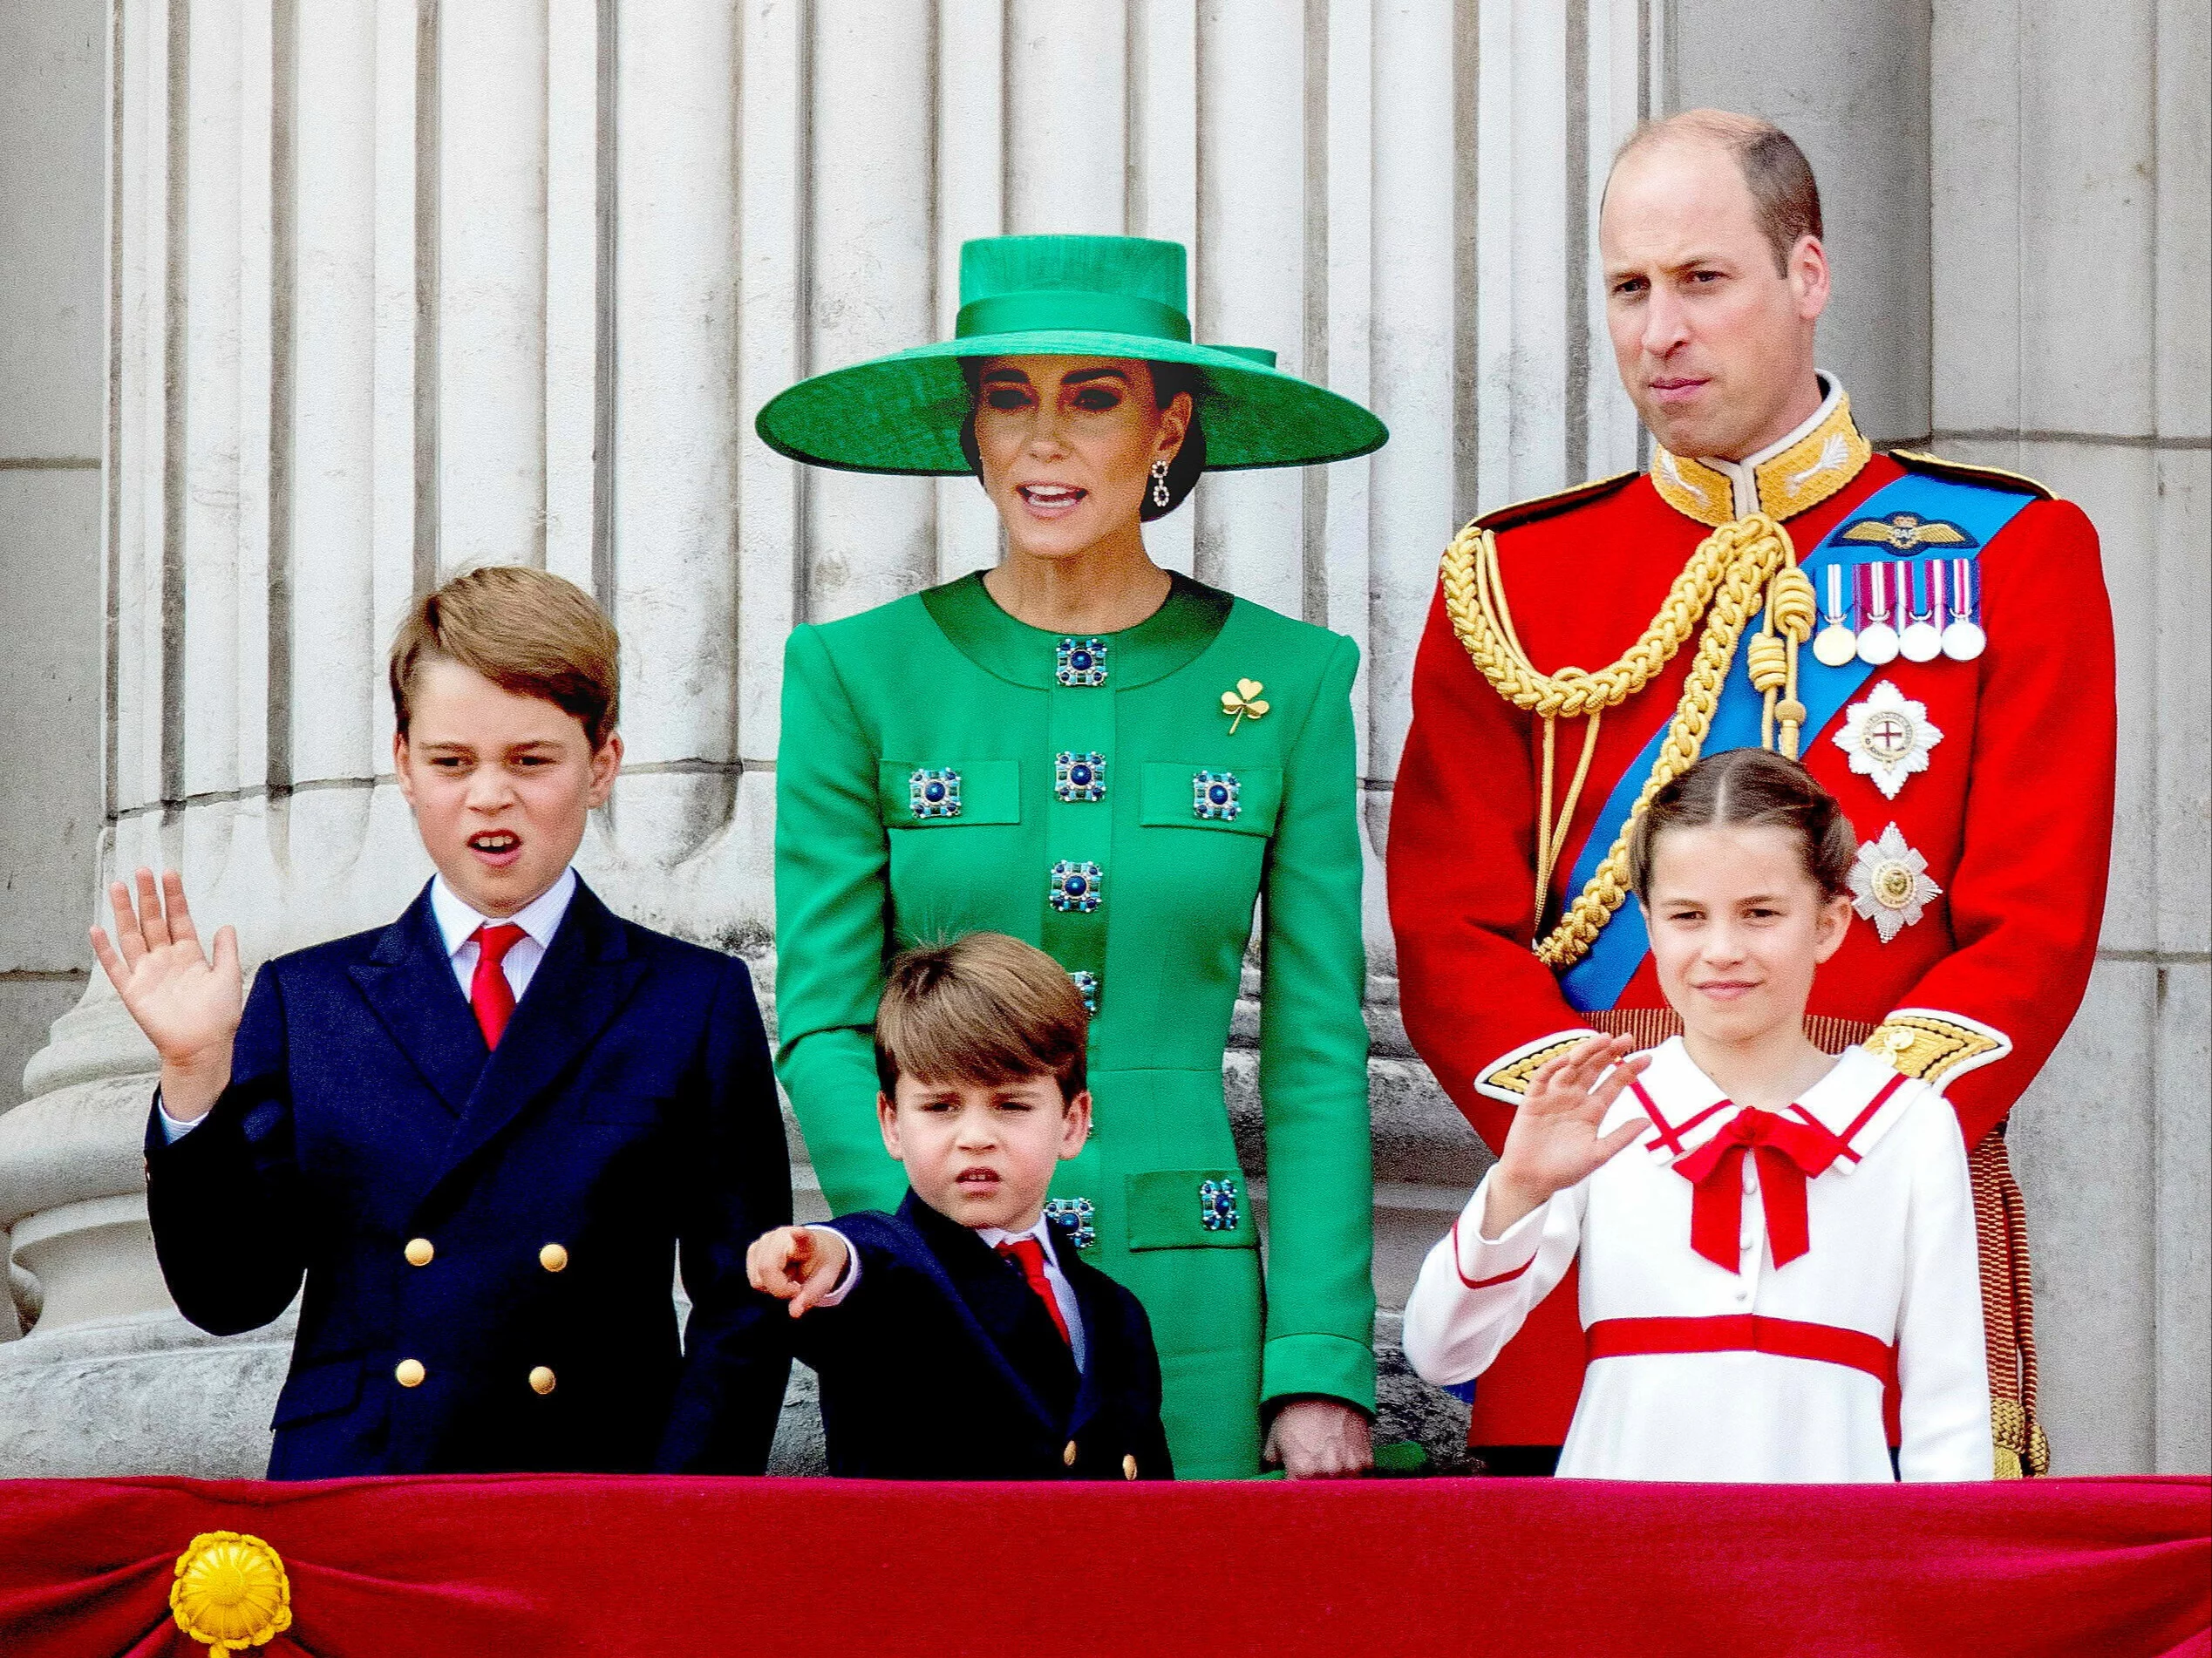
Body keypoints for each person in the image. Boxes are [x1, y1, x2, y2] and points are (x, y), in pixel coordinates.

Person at [1389, 110, 2112, 1476]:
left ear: (1809, 275)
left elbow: (2037, 922)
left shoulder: (2014, 551)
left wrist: (1851, 1130)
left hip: (1892, 1230)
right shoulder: (1513, 577)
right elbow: (1447, 931)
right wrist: (1623, 1128)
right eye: (1628, 287)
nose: (1659, 330)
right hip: (1607, 1228)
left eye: (1703, 279)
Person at [760, 234, 1387, 1478]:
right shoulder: (852, 674)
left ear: (1168, 427)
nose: (1044, 441)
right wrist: (918, 1244)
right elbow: (825, 1024)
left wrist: (1318, 1357)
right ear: (972, 431)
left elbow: (1318, 1047)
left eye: (1092, 397)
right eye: (1010, 397)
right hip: (935, 1308)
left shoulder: (1296, 681)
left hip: (1194, 1311)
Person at [92, 566, 793, 1478]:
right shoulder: (309, 1001)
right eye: (451, 761)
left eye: (531, 760)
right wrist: (193, 1077)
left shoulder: (689, 1000)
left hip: (594, 1489)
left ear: (602, 767)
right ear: (404, 767)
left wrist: (679, 1514)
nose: (489, 796)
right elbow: (229, 1296)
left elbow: (744, 1301)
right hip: (362, 1492)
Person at [1403, 749, 1992, 1482]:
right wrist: (1516, 1189)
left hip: (1832, 1555)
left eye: (1760, 914)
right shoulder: (1604, 1109)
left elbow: (1951, 1403)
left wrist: (1933, 1582)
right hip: (1621, 1548)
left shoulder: (1908, 1123)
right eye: (1688, 916)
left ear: (1829, 924)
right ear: (1649, 924)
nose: (1721, 951)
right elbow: (1440, 1351)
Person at [747, 934, 1172, 1480]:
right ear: (892, 1124)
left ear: (1073, 1121)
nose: (974, 1137)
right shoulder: (892, 1274)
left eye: (1011, 1104)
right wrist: (828, 1257)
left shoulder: (1118, 1312)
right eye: (942, 1106)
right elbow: (871, 1262)